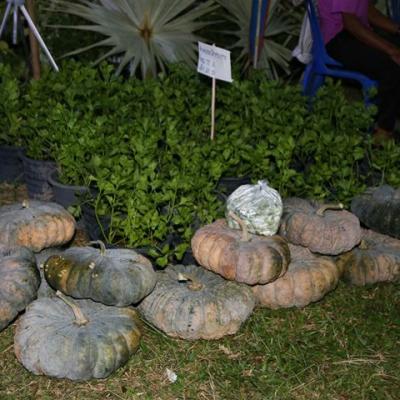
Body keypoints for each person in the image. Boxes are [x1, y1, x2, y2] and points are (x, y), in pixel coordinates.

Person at [318, 0, 400, 142]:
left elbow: (366, 10)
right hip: (338, 38)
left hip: (355, 30)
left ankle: (394, 111)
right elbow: (351, 24)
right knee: (391, 67)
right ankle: (382, 131)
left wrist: (397, 29)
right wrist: (391, 50)